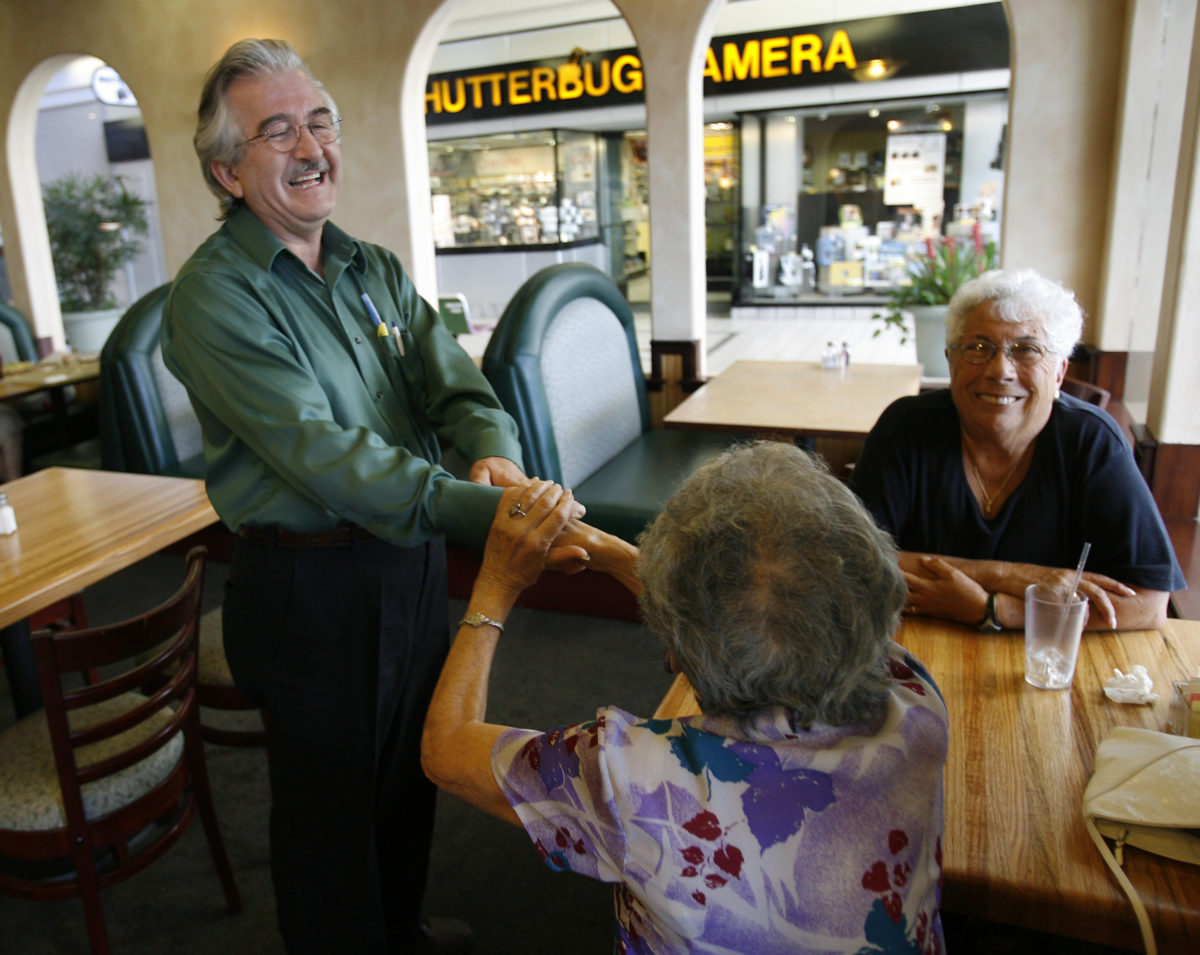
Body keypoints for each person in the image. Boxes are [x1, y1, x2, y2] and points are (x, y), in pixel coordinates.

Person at [162, 38, 563, 953]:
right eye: (277, 132)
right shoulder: (213, 298)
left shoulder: (373, 265)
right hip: (310, 591)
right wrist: (491, 513)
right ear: (227, 171)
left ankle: (401, 931)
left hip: (408, 563)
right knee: (328, 822)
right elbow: (325, 456)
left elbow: (453, 382)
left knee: (409, 775)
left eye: (319, 122)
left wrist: (492, 452)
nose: (311, 147)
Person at [423, 441, 949, 953]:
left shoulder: (630, 780)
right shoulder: (911, 694)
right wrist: (606, 550)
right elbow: (765, 615)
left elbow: (445, 750)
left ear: (676, 653)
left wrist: (496, 581)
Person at [850, 267, 1184, 632]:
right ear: (950, 360)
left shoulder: (1092, 441)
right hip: (917, 649)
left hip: (1047, 663)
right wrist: (1008, 574)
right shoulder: (906, 427)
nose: (1000, 370)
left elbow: (1149, 604)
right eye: (978, 348)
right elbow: (852, 559)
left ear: (1058, 373)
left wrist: (995, 608)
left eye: (1026, 350)